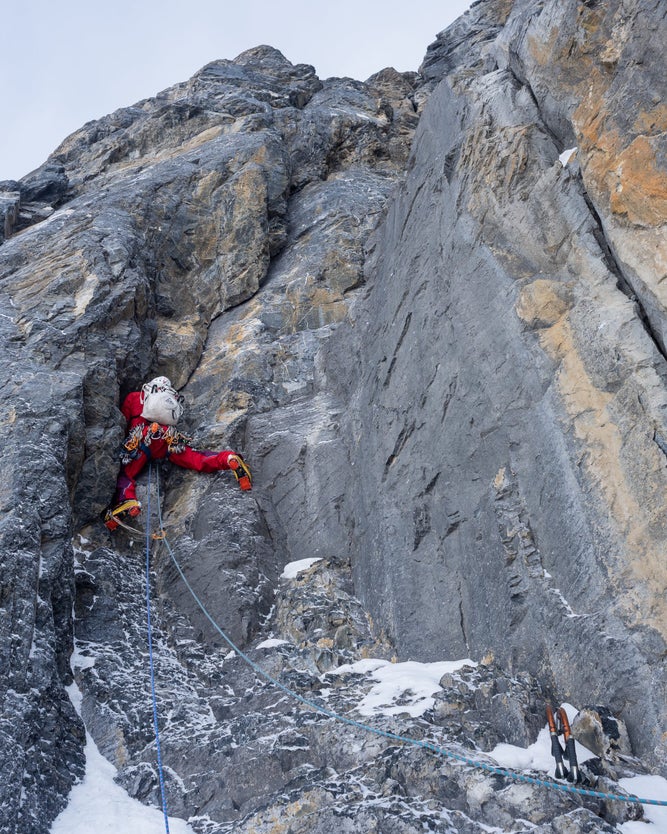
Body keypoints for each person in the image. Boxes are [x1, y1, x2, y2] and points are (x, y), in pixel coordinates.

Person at [104, 376, 251, 530]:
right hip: (167, 438)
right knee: (197, 458)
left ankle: (128, 500)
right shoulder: (170, 399)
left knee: (126, 474)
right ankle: (228, 458)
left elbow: (123, 424)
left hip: (142, 438)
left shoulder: (135, 397)